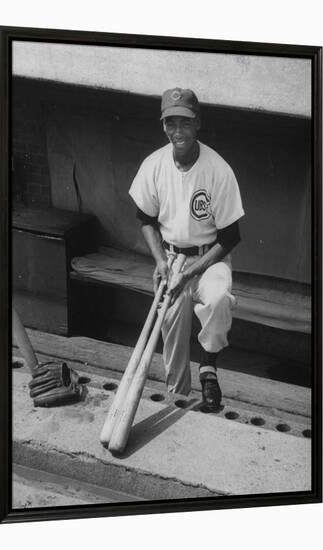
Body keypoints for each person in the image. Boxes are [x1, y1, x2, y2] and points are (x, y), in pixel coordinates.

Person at [129, 88, 245, 412]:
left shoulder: (218, 170)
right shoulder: (154, 165)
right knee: (171, 327)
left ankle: (208, 368)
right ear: (163, 125)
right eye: (171, 123)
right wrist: (160, 262)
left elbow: (230, 237)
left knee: (219, 298)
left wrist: (191, 271)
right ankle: (178, 397)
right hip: (171, 258)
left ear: (198, 125)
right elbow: (146, 220)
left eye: (185, 123)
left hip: (211, 257)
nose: (177, 131)